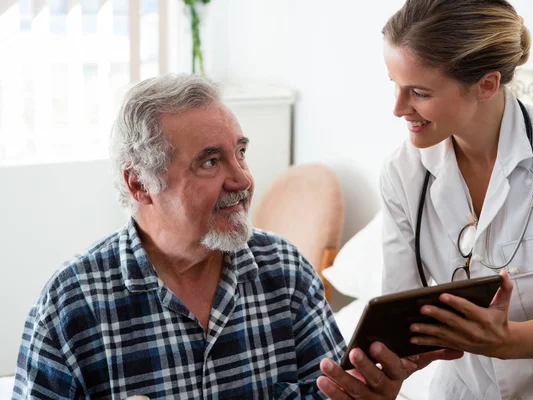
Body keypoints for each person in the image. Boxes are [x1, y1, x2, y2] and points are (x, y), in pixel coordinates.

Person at [12, 74, 351, 399]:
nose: (243, 180)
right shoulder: (70, 305)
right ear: (141, 184)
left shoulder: (286, 271)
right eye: (211, 162)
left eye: (241, 154)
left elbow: (335, 393)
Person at [360, 0, 533, 399]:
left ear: (487, 85)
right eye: (395, 85)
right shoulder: (403, 172)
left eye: (418, 92)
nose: (398, 109)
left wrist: (503, 340)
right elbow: (399, 318)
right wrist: (386, 369)